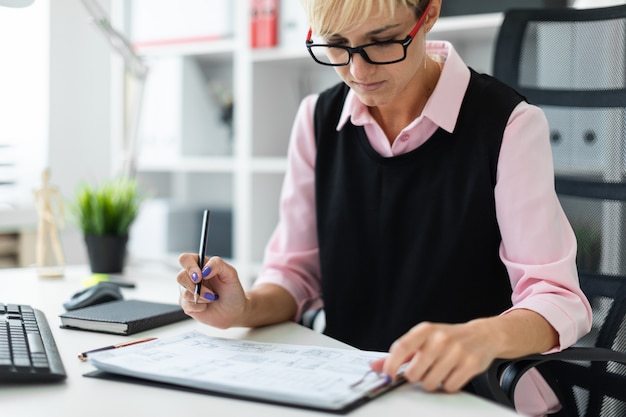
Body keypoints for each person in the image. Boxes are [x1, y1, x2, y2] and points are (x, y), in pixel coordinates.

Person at [177, 0, 592, 415]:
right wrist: (245, 308)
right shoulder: (316, 120)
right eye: (337, 45)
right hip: (354, 390)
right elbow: (295, 274)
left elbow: (557, 298)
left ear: (428, 15)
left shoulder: (508, 124)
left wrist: (481, 337)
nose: (359, 71)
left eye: (381, 42)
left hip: (478, 395)